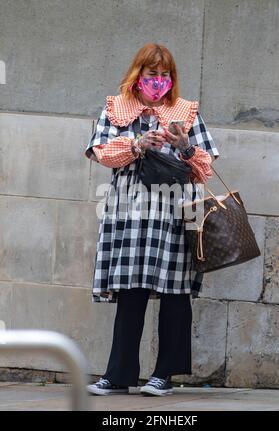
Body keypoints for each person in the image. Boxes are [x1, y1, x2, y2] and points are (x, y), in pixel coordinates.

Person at [84, 43, 220, 396]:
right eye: (151, 74)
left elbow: (205, 168)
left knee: (175, 289)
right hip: (130, 208)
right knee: (131, 288)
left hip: (176, 209)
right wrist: (138, 143)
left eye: (165, 74)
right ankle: (118, 374)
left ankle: (165, 374)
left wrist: (185, 145)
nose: (158, 80)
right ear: (138, 74)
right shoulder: (117, 109)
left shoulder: (185, 112)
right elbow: (101, 153)